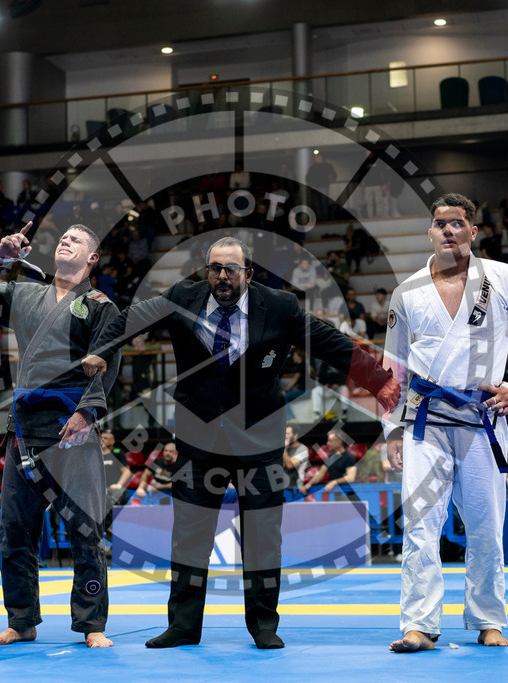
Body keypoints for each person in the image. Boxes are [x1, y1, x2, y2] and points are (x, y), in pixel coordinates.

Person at [81, 236, 400, 650]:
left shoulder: (280, 306)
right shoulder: (182, 296)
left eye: (231, 268)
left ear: (248, 273)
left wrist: (378, 380)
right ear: (206, 271)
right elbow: (130, 318)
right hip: (199, 436)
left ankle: (264, 625)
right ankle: (182, 626)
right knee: (189, 536)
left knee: (264, 536)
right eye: (215, 268)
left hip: (259, 436)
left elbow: (327, 341)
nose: (222, 276)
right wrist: (101, 349)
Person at [382, 192, 508, 653]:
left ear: (473, 230)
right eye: (440, 223)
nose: (448, 230)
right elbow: (391, 366)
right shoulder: (407, 292)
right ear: (430, 231)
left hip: (482, 422)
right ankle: (419, 625)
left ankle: (488, 620)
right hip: (426, 425)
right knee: (420, 526)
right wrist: (393, 429)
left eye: (457, 223)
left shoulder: (504, 278)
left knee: (485, 527)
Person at [0, 221, 121, 649]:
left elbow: (108, 362)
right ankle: (22, 620)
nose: (66, 240)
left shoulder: (101, 306)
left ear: (92, 258)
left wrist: (87, 414)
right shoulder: (24, 294)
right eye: (63, 236)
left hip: (72, 429)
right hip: (24, 428)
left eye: (78, 240)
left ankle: (91, 625)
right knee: (14, 530)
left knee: (84, 529)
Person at [298, 430, 358, 497]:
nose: (327, 443)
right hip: (334, 493)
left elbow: (350, 477)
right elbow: (320, 474)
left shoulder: (348, 457)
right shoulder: (330, 457)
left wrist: (333, 482)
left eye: (330, 441)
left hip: (347, 494)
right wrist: (309, 484)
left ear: (339, 442)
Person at [281, 425, 310, 492]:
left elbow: (290, 465)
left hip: (295, 487)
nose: (285, 436)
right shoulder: (285, 447)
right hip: (281, 486)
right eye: (284, 433)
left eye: (288, 433)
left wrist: (284, 449)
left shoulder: (303, 449)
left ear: (295, 435)